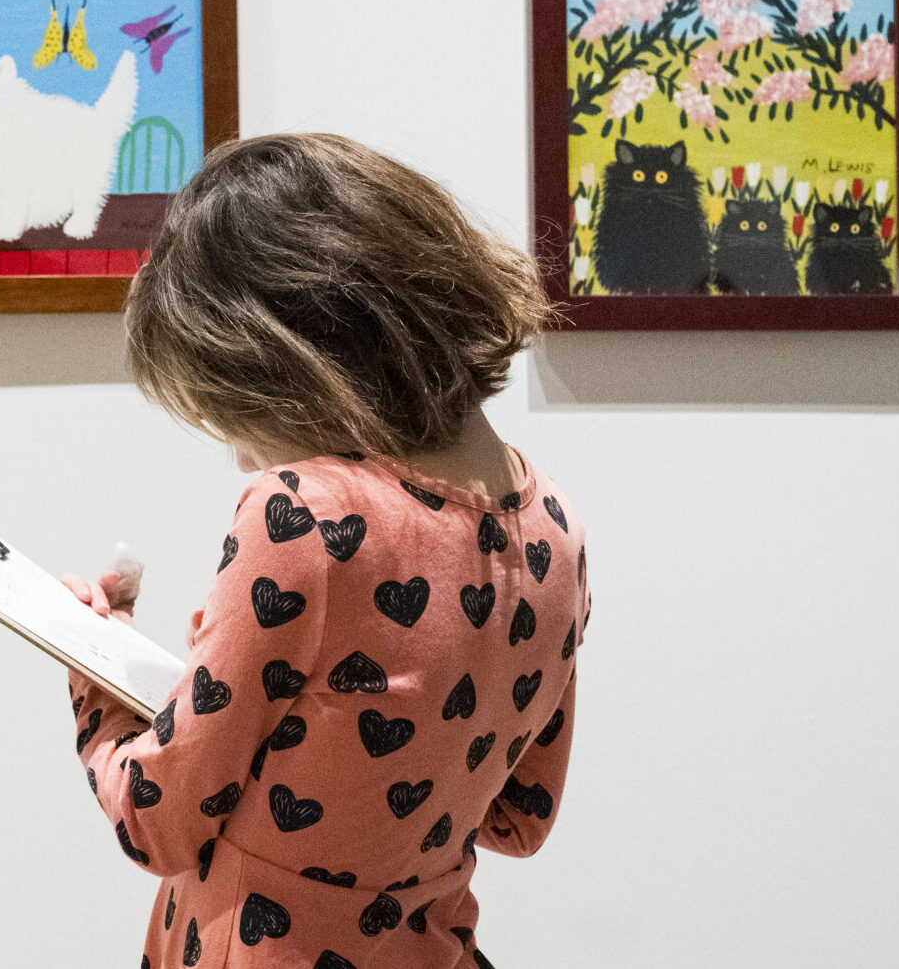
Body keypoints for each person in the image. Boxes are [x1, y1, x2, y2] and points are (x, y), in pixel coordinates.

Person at [60, 133, 588, 969]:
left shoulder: (302, 519)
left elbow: (155, 818)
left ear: (298, 350)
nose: (241, 453)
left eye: (238, 407)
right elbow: (520, 812)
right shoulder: (554, 523)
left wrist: (92, 674)